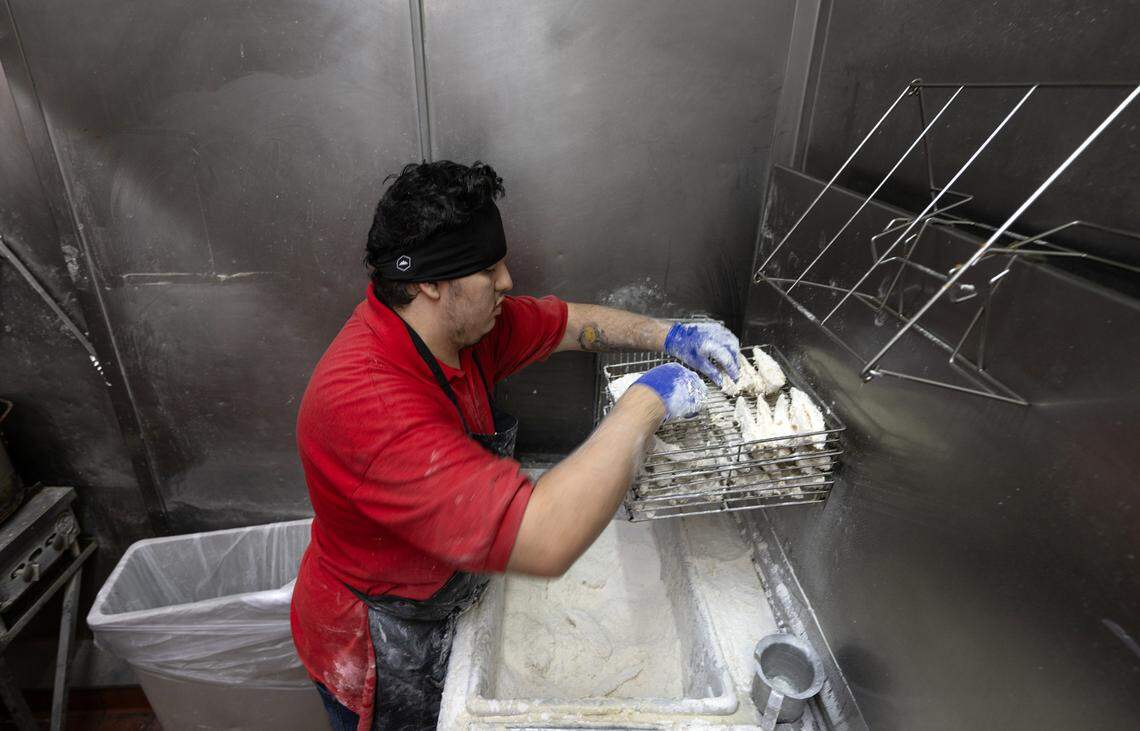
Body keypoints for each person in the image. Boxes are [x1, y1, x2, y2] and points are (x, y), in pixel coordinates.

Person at [290, 160, 744, 731]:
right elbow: (545, 540)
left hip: (444, 586)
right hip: (384, 636)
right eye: (488, 269)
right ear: (431, 282)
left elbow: (571, 324)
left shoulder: (463, 329)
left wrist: (671, 335)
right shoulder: (368, 405)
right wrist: (646, 401)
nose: (506, 281)